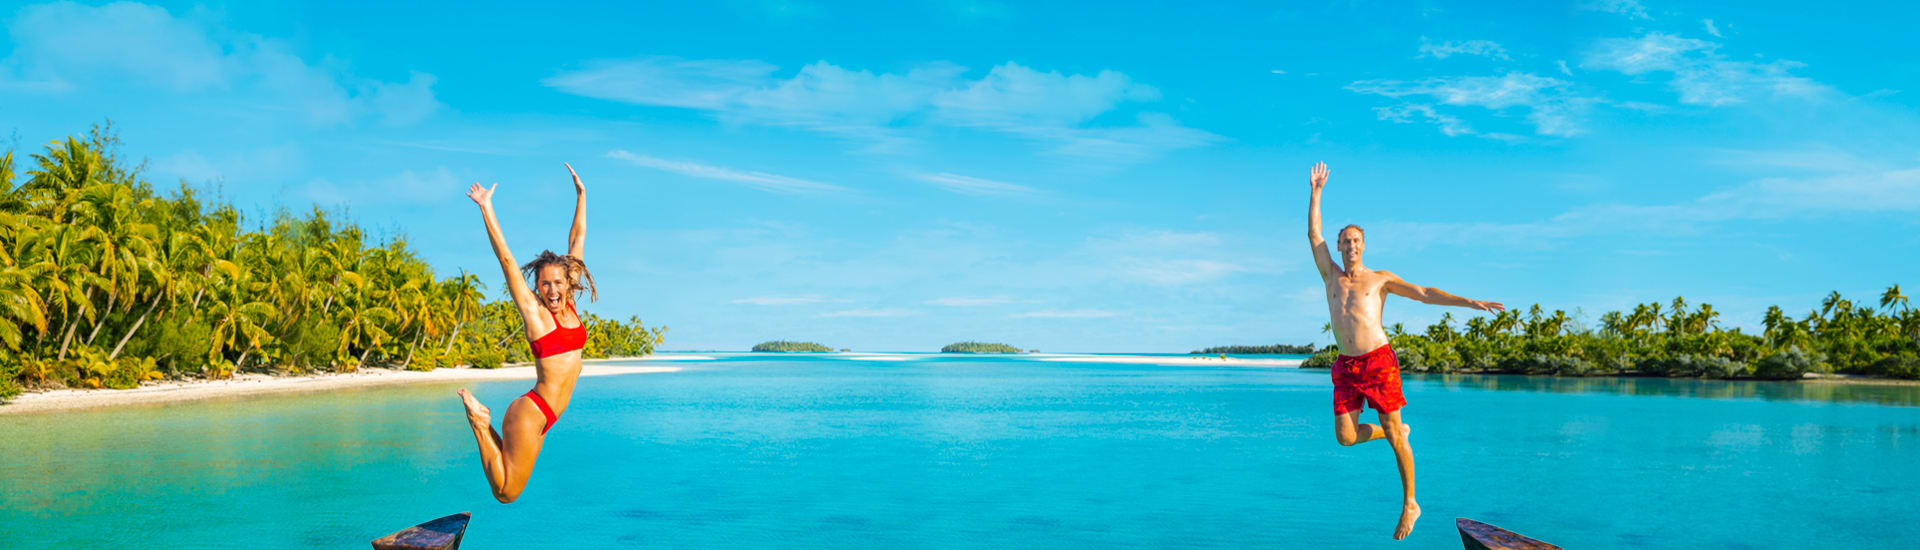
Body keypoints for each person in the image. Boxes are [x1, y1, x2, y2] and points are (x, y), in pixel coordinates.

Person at [1306, 162, 1505, 539]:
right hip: (1346, 367)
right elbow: (1313, 233)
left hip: (1378, 362)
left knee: (1397, 437)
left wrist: (1469, 302)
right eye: (1344, 241)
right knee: (1346, 438)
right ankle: (1392, 430)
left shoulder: (1380, 279)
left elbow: (1425, 294)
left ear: (1363, 246)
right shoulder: (1329, 274)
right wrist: (1316, 191)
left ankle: (1410, 503)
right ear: (1338, 246)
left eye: (1356, 241)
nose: (1350, 246)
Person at [455, 163, 596, 503]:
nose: (551, 290)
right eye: (544, 283)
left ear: (568, 282)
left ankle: (484, 422)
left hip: (545, 416)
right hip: (531, 412)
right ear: (537, 286)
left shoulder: (571, 305)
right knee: (505, 492)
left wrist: (582, 195)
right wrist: (486, 207)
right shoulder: (535, 315)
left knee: (508, 474)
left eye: (558, 282)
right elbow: (505, 258)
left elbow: (576, 240)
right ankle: (478, 421)